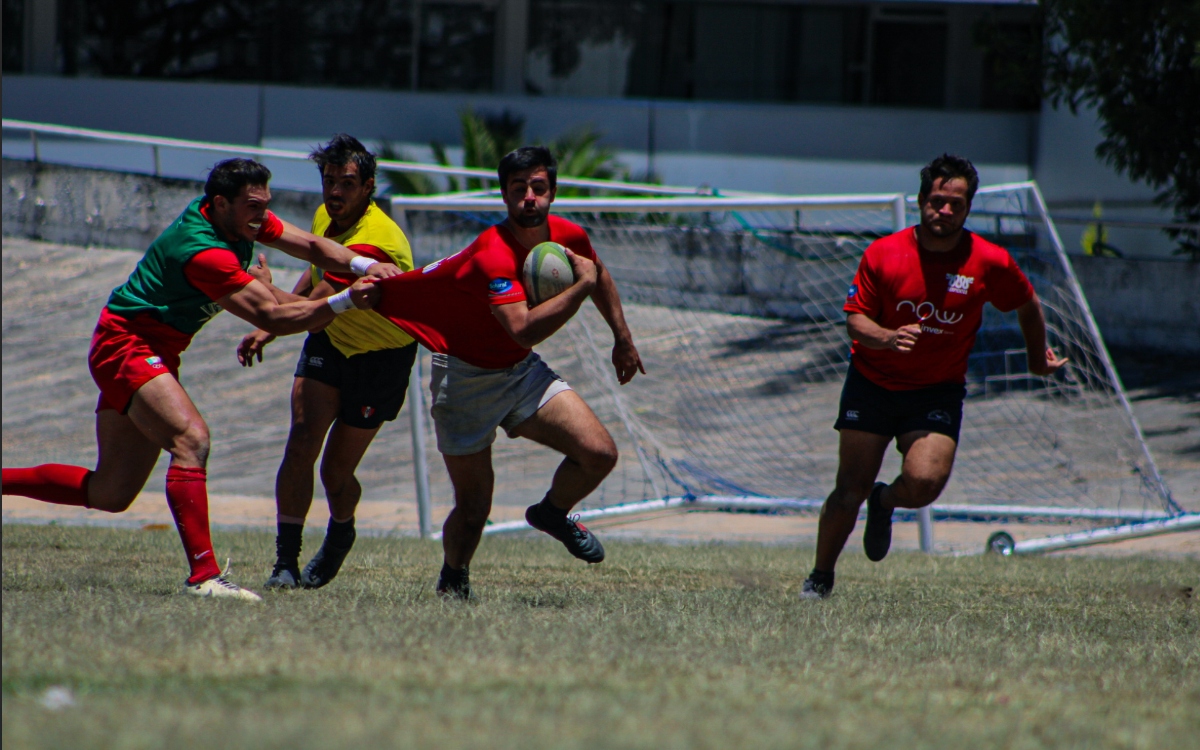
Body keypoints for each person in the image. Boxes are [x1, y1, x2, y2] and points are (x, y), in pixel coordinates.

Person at [0, 158, 398, 601]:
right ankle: (204, 576)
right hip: (126, 346)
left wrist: (363, 266)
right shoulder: (203, 251)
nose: (262, 215)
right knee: (192, 441)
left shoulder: (239, 220)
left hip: (152, 350)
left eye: (265, 204)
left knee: (111, 491)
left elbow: (309, 245)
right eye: (253, 206)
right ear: (221, 203)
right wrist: (346, 301)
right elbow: (273, 316)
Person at [373, 145, 645, 599]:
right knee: (475, 506)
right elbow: (522, 329)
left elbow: (598, 272)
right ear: (504, 196)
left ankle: (552, 513)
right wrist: (580, 288)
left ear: (553, 192)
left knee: (599, 453)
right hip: (465, 379)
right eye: (518, 189)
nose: (529, 198)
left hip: (520, 373)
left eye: (538, 188)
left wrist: (622, 337)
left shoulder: (567, 235)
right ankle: (454, 578)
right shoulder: (491, 256)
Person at [800, 154, 1069, 600]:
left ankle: (884, 502)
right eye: (937, 201)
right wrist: (886, 337)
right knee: (849, 489)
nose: (944, 211)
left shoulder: (989, 261)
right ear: (922, 200)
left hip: (936, 390)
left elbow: (1027, 303)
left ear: (968, 209)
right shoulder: (883, 253)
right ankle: (820, 577)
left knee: (924, 484)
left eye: (955, 205)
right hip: (873, 381)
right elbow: (854, 321)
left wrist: (1036, 358)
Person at [236, 135, 417, 590]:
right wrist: (269, 324)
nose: (334, 193)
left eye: (347, 183)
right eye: (328, 181)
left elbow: (317, 303)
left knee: (335, 473)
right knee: (300, 444)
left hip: (382, 358)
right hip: (332, 340)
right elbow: (316, 273)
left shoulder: (379, 242)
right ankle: (285, 563)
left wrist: (262, 294)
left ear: (369, 186)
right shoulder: (328, 215)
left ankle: (340, 533)